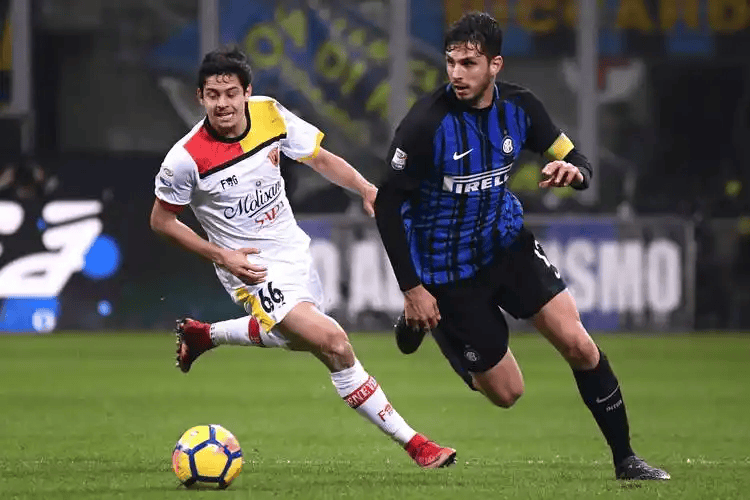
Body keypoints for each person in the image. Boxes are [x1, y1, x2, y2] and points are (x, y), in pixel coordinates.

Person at [373, 12, 669, 481]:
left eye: (469, 63)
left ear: (495, 65)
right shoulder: (425, 124)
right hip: (448, 271)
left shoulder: (521, 107)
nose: (456, 73)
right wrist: (413, 289)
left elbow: (573, 155)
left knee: (579, 344)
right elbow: (388, 205)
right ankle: (424, 321)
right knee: (508, 392)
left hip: (506, 244)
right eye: (451, 62)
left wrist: (575, 171)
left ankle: (626, 460)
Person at [150, 46, 456, 469]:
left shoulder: (269, 114)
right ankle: (416, 444)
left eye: (231, 93)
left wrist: (365, 188)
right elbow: (161, 221)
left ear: (246, 93)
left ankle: (205, 335)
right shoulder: (185, 159)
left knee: (295, 337)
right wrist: (222, 256)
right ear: (200, 97)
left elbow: (319, 158)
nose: (222, 104)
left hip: (293, 250)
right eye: (213, 95)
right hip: (251, 269)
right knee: (334, 344)